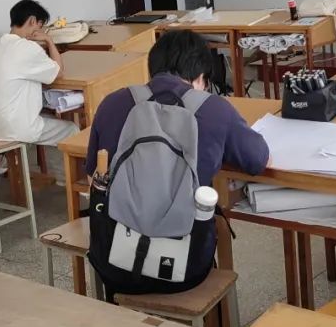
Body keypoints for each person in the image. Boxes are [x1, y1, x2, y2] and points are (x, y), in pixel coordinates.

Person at [85, 30, 270, 296]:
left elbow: (92, 177)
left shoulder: (113, 103)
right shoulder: (214, 109)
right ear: (200, 77)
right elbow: (258, 159)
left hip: (113, 259)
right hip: (185, 267)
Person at [0, 0, 77, 152]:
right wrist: (49, 41)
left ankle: (10, 161)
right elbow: (58, 72)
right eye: (40, 26)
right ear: (32, 21)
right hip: (17, 127)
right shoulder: (27, 47)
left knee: (46, 116)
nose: (40, 31)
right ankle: (80, 167)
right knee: (72, 129)